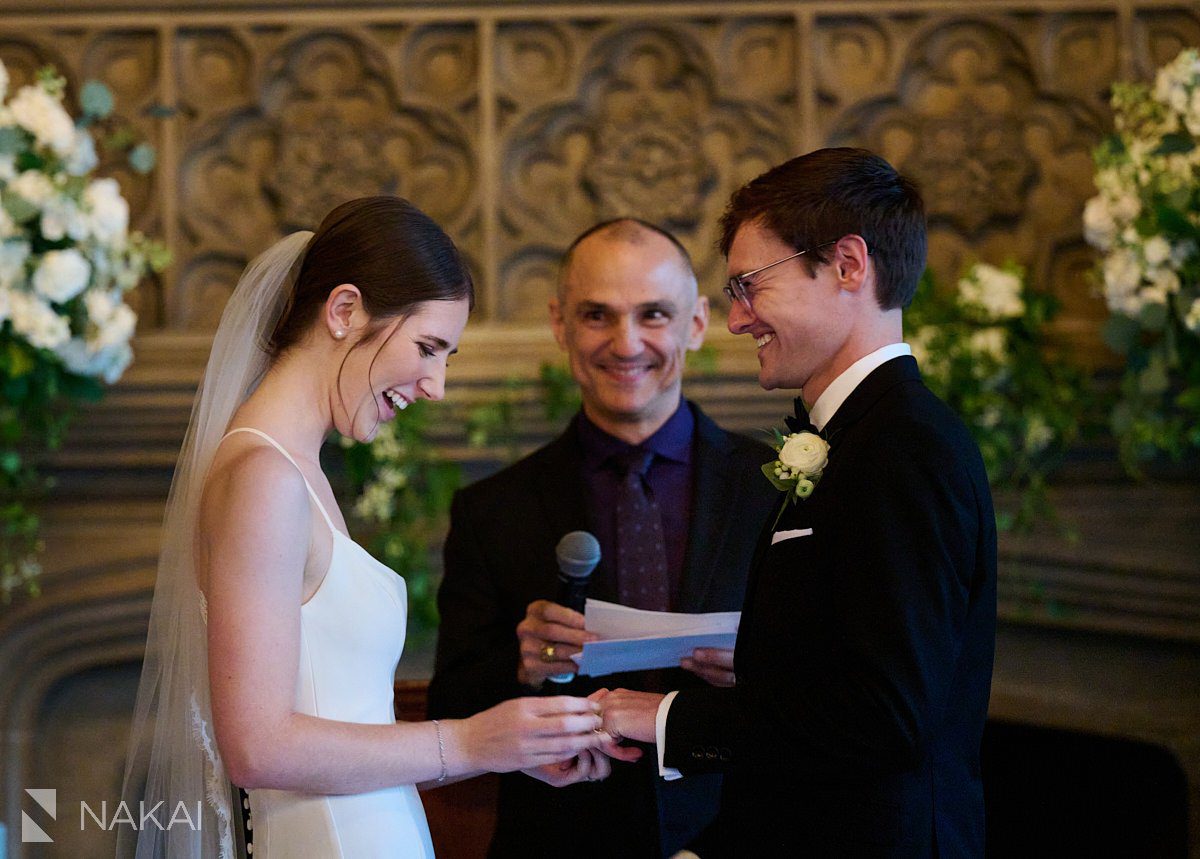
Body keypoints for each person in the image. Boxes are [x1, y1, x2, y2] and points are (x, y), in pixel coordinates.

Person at [119, 197, 619, 859]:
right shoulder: (264, 478)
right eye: (427, 347)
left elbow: (345, 722)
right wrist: (471, 740)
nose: (436, 383)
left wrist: (506, 749)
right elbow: (257, 746)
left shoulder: (297, 472)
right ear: (344, 310)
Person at [598, 149, 998, 856]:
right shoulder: (853, 438)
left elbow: (883, 715)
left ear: (848, 264)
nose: (736, 320)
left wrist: (666, 718)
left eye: (750, 285)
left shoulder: (904, 446)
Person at [426, 218, 778, 857]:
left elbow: (844, 690)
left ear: (696, 323)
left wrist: (765, 672)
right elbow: (450, 706)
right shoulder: (492, 509)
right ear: (559, 323)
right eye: (597, 315)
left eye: (653, 314)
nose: (626, 343)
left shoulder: (773, 491)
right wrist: (522, 664)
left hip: (746, 828)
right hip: (562, 837)